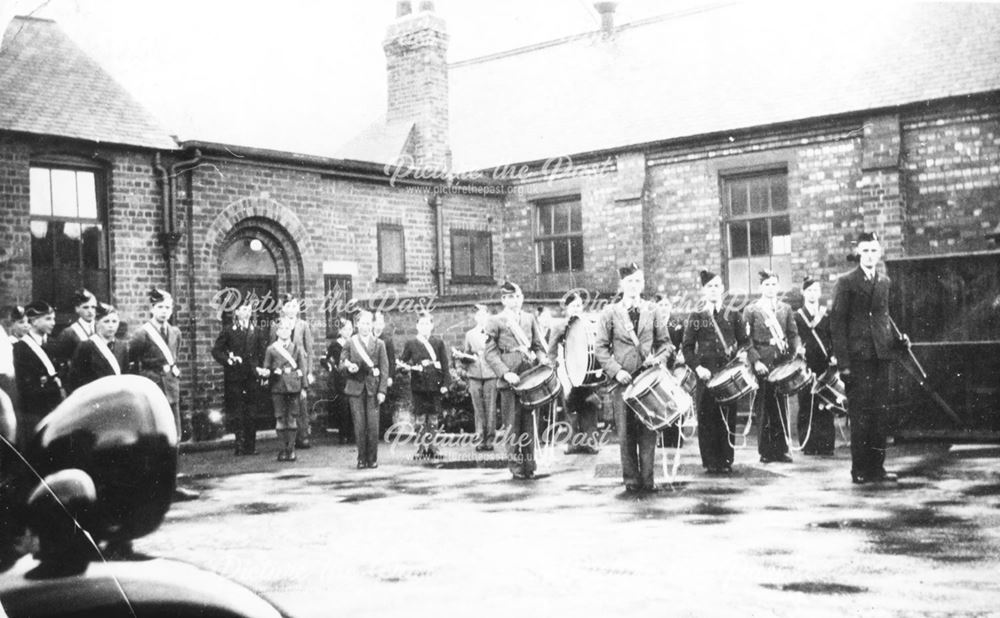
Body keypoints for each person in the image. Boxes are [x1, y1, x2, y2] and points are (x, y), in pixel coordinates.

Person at [830, 231, 908, 485]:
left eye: (874, 250)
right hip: (858, 359)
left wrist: (897, 340)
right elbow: (838, 325)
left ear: (880, 253)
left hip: (880, 357)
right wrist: (843, 364)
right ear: (857, 254)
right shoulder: (846, 282)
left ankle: (878, 467)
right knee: (861, 415)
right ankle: (860, 469)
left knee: (880, 415)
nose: (870, 255)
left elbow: (884, 318)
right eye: (865, 251)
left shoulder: (884, 282)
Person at [595, 262, 674, 493]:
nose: (634, 285)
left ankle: (648, 481)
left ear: (643, 283)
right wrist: (615, 370)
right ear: (621, 284)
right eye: (629, 281)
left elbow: (665, 343)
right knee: (626, 432)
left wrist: (659, 360)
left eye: (638, 281)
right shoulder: (609, 312)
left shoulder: (653, 310)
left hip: (648, 380)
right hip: (623, 381)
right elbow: (600, 347)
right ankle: (631, 481)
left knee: (649, 428)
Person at [682, 270, 750, 475]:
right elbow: (687, 347)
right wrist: (698, 368)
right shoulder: (696, 315)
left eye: (717, 286)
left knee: (728, 416)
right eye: (709, 286)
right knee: (707, 418)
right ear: (704, 290)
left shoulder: (733, 314)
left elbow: (745, 342)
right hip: (706, 376)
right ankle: (710, 462)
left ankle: (726, 460)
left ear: (722, 289)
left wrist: (743, 354)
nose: (713, 290)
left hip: (728, 375)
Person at [484, 281, 549, 480]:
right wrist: (504, 372)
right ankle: (515, 466)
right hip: (510, 377)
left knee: (530, 422)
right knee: (512, 423)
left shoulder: (529, 318)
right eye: (511, 297)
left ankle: (530, 464)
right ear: (503, 299)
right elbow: (490, 353)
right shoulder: (495, 321)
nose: (515, 301)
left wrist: (543, 358)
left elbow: (537, 345)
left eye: (518, 296)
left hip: (529, 376)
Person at [744, 269, 802, 464]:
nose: (770, 288)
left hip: (781, 361)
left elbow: (793, 334)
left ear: (778, 286)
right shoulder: (752, 310)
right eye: (766, 284)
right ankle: (766, 451)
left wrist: (795, 352)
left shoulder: (785, 309)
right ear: (761, 287)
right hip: (763, 360)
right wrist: (756, 361)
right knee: (764, 408)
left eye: (773, 284)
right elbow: (746, 340)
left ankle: (782, 449)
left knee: (781, 407)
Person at [129, 288, 187, 440]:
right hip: (153, 383)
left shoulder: (175, 332)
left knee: (174, 431)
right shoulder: (142, 334)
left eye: (167, 307)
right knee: (156, 427)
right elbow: (133, 360)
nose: (164, 311)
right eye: (160, 307)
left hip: (171, 384)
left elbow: (174, 357)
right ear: (152, 309)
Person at [546, 292, 600, 455]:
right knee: (570, 406)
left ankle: (591, 442)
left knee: (589, 405)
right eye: (573, 306)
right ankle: (573, 443)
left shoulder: (587, 323)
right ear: (567, 308)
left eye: (579, 305)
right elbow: (552, 349)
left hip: (585, 368)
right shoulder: (560, 325)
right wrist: (553, 366)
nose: (577, 308)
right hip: (567, 369)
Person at [211, 298, 267, 456]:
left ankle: (251, 445)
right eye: (243, 309)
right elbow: (216, 351)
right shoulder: (229, 330)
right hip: (235, 376)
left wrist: (261, 371)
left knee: (252, 410)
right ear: (236, 312)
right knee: (237, 411)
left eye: (249, 310)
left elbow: (260, 354)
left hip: (251, 377)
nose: (246, 313)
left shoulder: (256, 330)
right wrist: (228, 360)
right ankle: (239, 445)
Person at [340, 310, 389, 469]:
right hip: (355, 388)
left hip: (373, 389)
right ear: (356, 325)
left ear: (372, 324)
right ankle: (361, 458)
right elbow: (341, 364)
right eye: (362, 323)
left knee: (373, 425)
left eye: (368, 323)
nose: (365, 326)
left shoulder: (379, 344)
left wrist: (382, 391)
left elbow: (384, 368)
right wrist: (349, 366)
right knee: (359, 425)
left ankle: (372, 458)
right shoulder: (350, 342)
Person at [398, 312, 450, 460]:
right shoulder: (411, 343)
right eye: (422, 324)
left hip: (435, 386)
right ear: (417, 326)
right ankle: (421, 448)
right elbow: (403, 362)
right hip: (419, 387)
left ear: (432, 326)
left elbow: (445, 366)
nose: (425, 327)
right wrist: (404, 367)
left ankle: (434, 447)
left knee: (433, 418)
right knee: (420, 418)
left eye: (427, 324)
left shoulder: (438, 343)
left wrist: (446, 384)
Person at [795, 276, 837, 455]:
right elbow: (793, 338)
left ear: (820, 292)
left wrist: (835, 355)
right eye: (809, 290)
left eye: (815, 290)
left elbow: (834, 336)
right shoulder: (797, 316)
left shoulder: (826, 314)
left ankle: (826, 444)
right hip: (805, 366)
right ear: (803, 293)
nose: (812, 293)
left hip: (825, 365)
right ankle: (808, 444)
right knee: (806, 404)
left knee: (826, 404)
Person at [12, 301, 63, 447]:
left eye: (53, 318)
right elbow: (26, 387)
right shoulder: (22, 349)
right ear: (33, 321)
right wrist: (53, 385)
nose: (53, 323)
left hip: (52, 408)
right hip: (35, 412)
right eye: (48, 319)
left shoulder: (49, 344)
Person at [270, 294, 315, 449]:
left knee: (301, 403)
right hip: (283, 372)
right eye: (287, 306)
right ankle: (288, 440)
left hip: (298, 370)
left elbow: (309, 349)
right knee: (285, 406)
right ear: (282, 308)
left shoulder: (303, 325)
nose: (291, 309)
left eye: (294, 306)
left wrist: (309, 371)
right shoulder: (276, 326)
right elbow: (272, 349)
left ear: (298, 308)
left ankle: (303, 436)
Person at [261, 318, 307, 462]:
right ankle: (283, 449)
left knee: (292, 418)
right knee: (280, 418)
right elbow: (266, 367)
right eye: (282, 328)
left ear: (291, 330)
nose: (285, 331)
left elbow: (302, 368)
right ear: (277, 331)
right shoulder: (271, 349)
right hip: (278, 387)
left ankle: (291, 450)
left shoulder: (296, 348)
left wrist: (304, 388)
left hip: (294, 388)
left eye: (288, 328)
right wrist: (269, 372)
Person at [455, 304, 499, 452]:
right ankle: (480, 438)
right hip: (474, 374)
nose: (481, 318)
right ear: (475, 317)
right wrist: (463, 359)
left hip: (491, 374)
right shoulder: (470, 334)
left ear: (487, 316)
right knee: (478, 408)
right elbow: (466, 353)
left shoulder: (494, 333)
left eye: (483, 315)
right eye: (478, 315)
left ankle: (490, 440)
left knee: (490, 407)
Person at [67, 302, 128, 392]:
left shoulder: (122, 346)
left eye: (114, 321)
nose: (111, 326)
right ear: (97, 323)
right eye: (106, 321)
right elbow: (75, 378)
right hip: (94, 396)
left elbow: (127, 375)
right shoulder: (86, 346)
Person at [49, 289, 97, 384]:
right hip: (80, 380)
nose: (90, 311)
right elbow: (61, 360)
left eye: (93, 307)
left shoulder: (100, 329)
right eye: (86, 307)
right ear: (77, 309)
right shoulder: (69, 332)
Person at [324, 317, 354, 444]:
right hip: (341, 379)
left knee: (353, 405)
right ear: (340, 331)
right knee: (343, 406)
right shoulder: (335, 345)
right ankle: (343, 434)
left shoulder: (354, 342)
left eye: (350, 329)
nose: (348, 332)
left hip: (353, 376)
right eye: (345, 329)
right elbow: (324, 359)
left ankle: (353, 434)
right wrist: (331, 367)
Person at [373, 311, 397, 435]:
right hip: (371, 375)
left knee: (383, 402)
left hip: (383, 374)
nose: (378, 325)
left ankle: (383, 430)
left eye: (381, 323)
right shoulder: (369, 338)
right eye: (376, 322)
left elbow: (392, 360)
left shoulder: (387, 340)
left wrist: (390, 376)